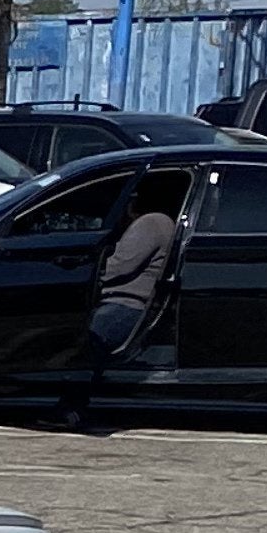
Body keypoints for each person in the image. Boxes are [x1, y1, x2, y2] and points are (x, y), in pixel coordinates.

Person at [61, 177, 185, 430]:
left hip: (125, 306)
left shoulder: (152, 222)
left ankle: (69, 409)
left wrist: (77, 271)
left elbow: (118, 266)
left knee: (79, 345)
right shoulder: (163, 222)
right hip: (133, 307)